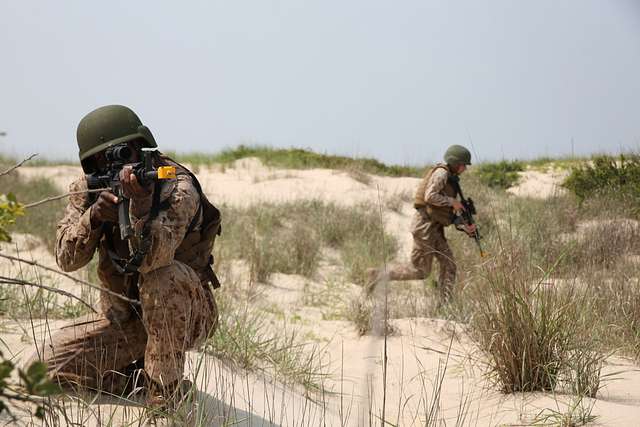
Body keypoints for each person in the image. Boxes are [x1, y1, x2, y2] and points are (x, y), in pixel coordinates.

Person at [31, 105, 221, 409]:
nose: (115, 165)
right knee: (39, 372)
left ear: (139, 146)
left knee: (162, 278)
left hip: (183, 313)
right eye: (101, 159)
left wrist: (142, 205)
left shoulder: (176, 187)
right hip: (125, 317)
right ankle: (137, 380)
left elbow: (153, 261)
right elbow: (66, 260)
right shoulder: (91, 189)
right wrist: (93, 217)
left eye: (121, 153)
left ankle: (165, 395)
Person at [366, 145, 476, 300]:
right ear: (455, 162)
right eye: (463, 165)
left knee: (449, 265)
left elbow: (444, 213)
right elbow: (430, 196)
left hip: (434, 228)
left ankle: (444, 304)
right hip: (425, 227)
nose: (465, 168)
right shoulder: (441, 173)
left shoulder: (450, 178)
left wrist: (465, 226)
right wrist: (452, 201)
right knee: (420, 271)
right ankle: (378, 275)